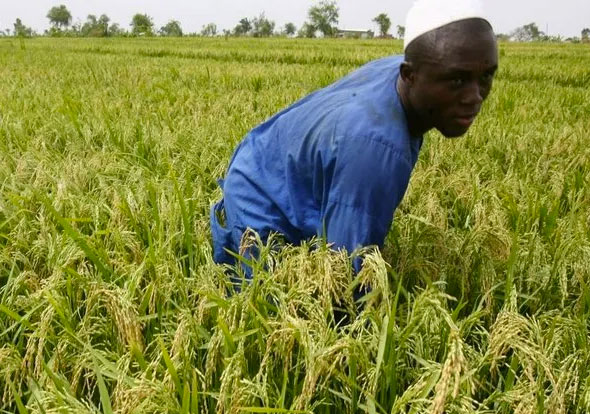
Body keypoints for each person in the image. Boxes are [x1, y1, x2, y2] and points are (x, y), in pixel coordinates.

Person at [210, 0, 499, 284]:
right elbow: (345, 271)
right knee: (274, 299)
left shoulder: (407, 75)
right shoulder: (376, 149)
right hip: (259, 194)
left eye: (486, 76)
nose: (475, 97)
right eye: (457, 81)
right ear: (409, 75)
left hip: (271, 158)